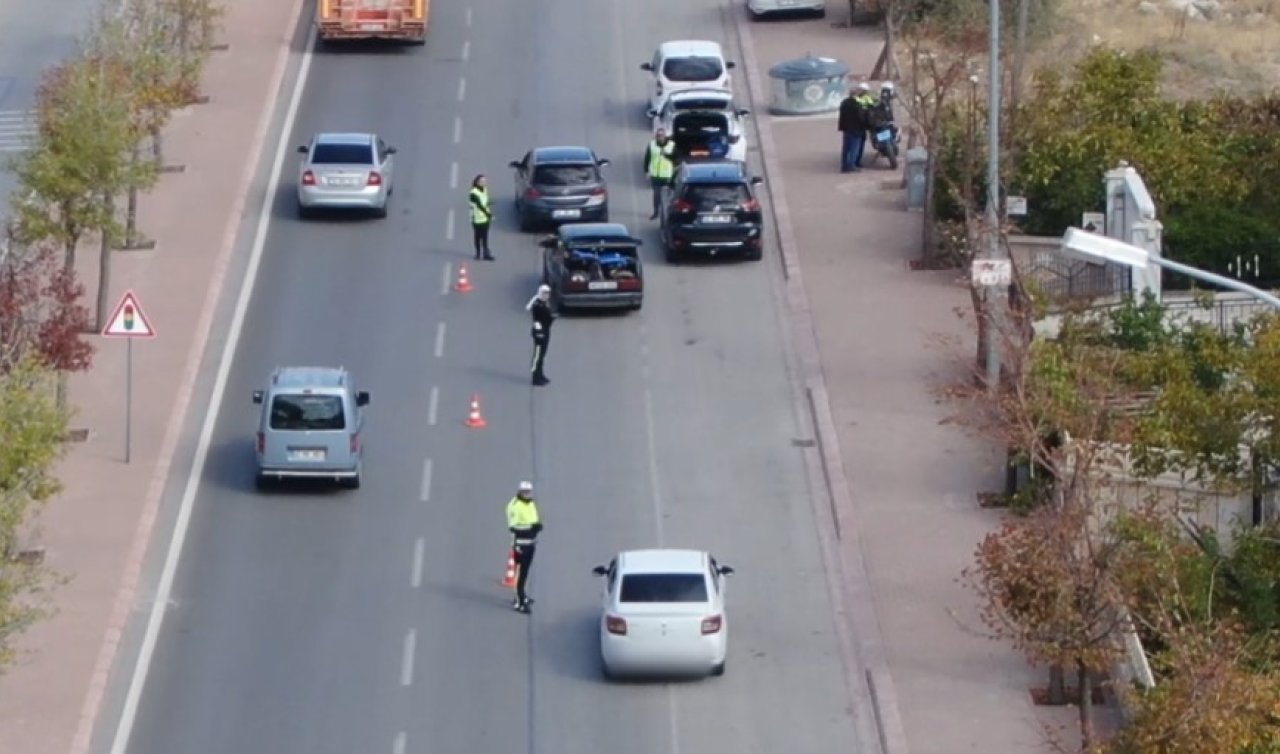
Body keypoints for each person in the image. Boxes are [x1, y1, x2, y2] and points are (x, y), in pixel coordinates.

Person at [506, 481, 543, 613]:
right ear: (520, 491)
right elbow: (513, 527)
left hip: (531, 543)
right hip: (520, 544)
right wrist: (531, 529)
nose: (527, 494)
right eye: (525, 492)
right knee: (519, 573)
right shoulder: (515, 506)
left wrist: (537, 527)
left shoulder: (530, 503)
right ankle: (518, 601)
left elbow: (532, 519)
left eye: (529, 491)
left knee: (525, 572)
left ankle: (523, 595)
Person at [643, 128, 676, 220]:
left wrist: (675, 173)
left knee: (669, 197)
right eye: (658, 136)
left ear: (665, 136)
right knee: (656, 195)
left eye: (661, 135)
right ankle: (656, 212)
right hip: (655, 175)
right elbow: (647, 159)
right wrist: (646, 171)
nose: (659, 137)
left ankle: (669, 213)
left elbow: (676, 159)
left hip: (667, 176)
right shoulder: (652, 145)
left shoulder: (671, 145)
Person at [526, 284, 555, 386]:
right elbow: (537, 321)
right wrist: (539, 333)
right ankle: (535, 377)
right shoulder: (538, 305)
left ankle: (541, 374)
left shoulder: (545, 303)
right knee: (537, 356)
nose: (547, 295)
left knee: (542, 355)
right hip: (540, 333)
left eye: (548, 293)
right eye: (545, 293)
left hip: (546, 331)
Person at [837, 86, 868, 173]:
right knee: (855, 148)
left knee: (846, 149)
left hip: (846, 128)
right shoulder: (857, 104)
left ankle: (844, 166)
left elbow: (841, 116)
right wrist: (865, 125)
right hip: (856, 129)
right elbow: (861, 117)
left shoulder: (844, 102)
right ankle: (852, 165)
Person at [469, 174, 494, 261]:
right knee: (477, 236)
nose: (484, 182)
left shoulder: (485, 190)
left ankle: (486, 253)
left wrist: (489, 203)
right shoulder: (473, 193)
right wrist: (489, 214)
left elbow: (485, 201)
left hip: (485, 219)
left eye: (485, 181)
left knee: (485, 237)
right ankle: (478, 253)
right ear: (477, 182)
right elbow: (479, 205)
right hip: (477, 219)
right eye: (482, 181)